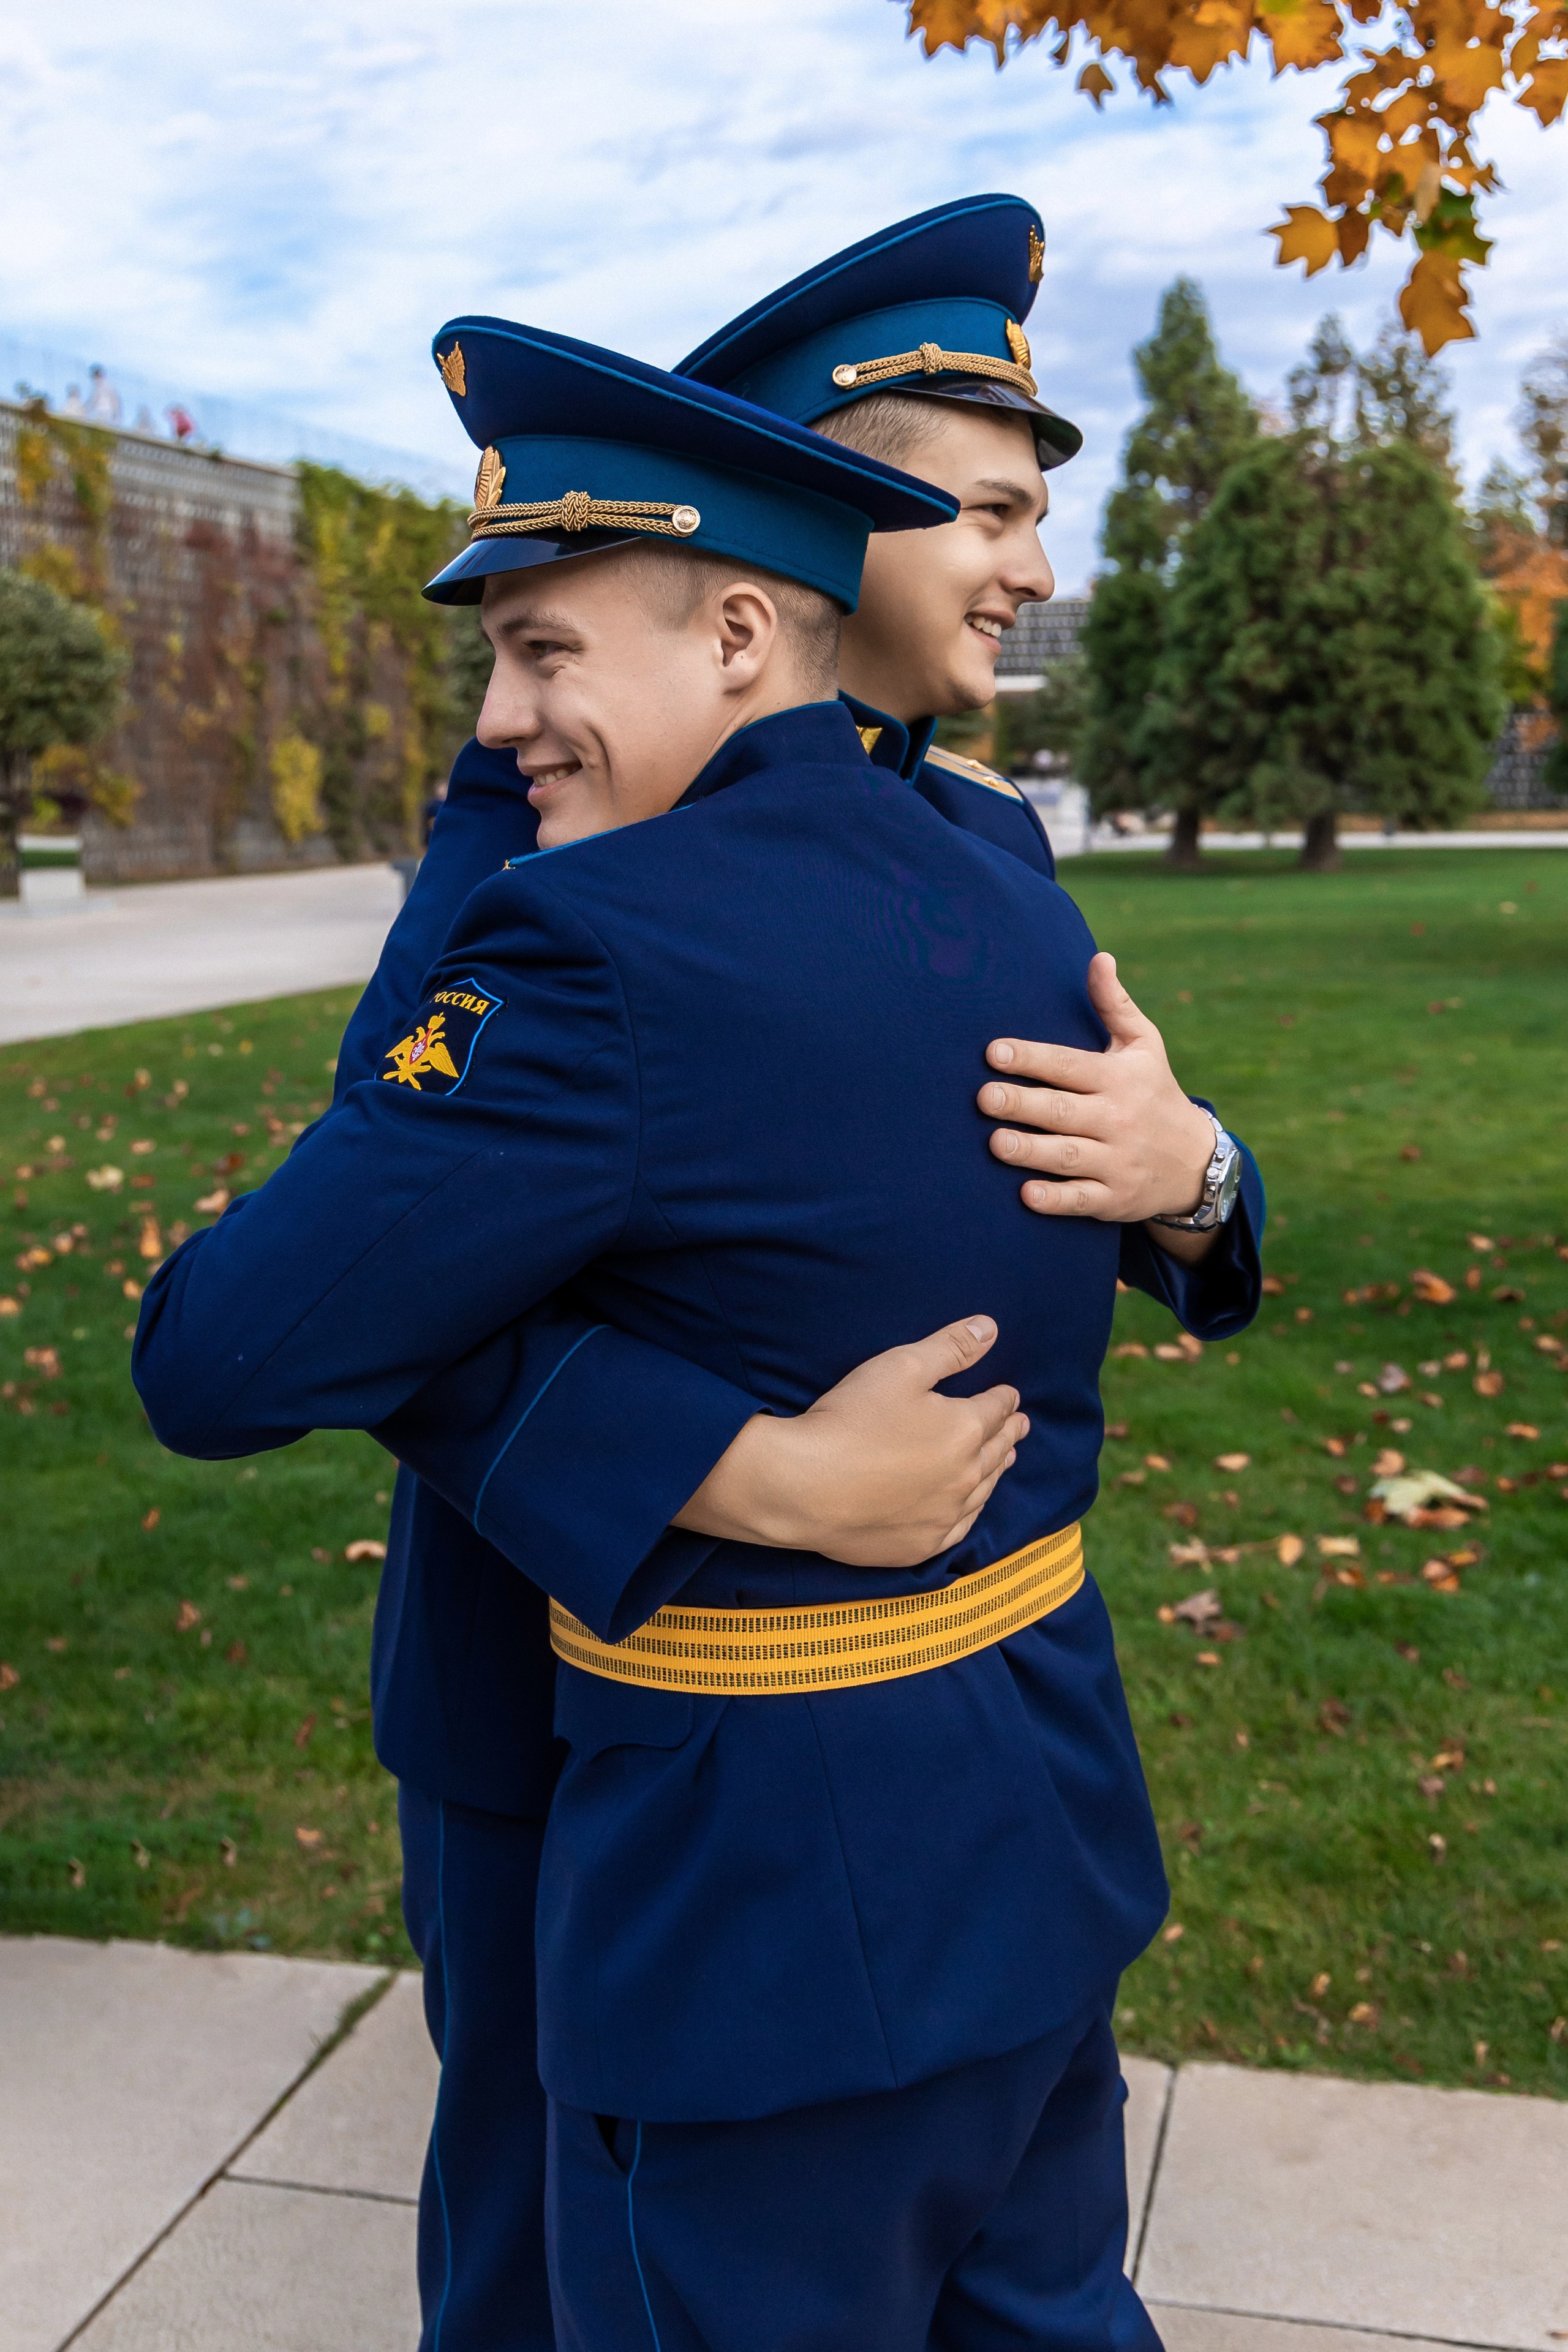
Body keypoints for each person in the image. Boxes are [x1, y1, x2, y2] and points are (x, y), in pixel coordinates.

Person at [135, 313, 1259, 2350]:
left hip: (787, 1758)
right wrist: (731, 1465)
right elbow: (384, 1238)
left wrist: (1195, 1178)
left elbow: (268, 1322)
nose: (1016, 568)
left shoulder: (981, 844)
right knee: (531, 2239)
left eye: (538, 652)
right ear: (825, 524)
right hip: (567, 1678)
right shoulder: (543, 843)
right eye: (980, 511)